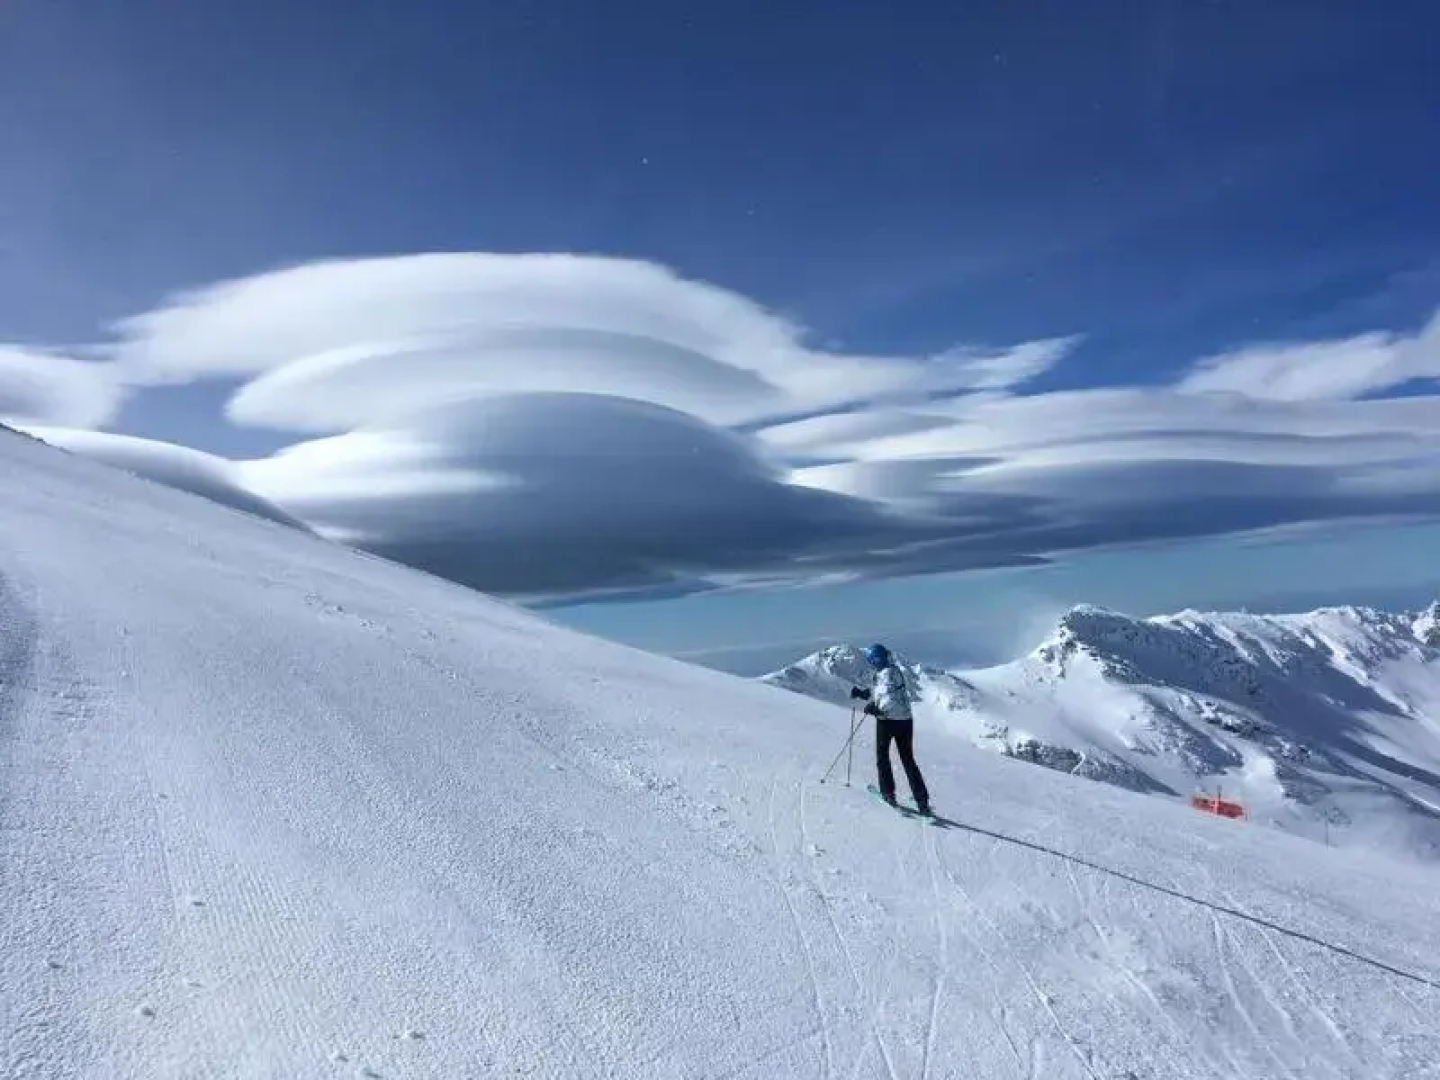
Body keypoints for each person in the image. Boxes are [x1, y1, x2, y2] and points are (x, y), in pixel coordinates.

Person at [850, 643, 931, 815]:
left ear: (875, 660)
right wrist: (863, 694)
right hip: (905, 721)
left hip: (887, 721)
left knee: (882, 756)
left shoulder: (886, 674)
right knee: (908, 760)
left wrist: (877, 710)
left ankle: (888, 794)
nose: (870, 662)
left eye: (871, 659)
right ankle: (922, 802)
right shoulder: (891, 671)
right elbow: (881, 692)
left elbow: (887, 697)